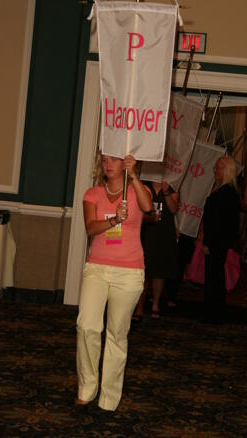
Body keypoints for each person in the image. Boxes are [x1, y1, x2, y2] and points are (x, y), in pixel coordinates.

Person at [76, 152, 152, 412]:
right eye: (105, 159)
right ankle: (87, 386)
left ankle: (109, 397)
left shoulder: (136, 190)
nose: (107, 164)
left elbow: (148, 207)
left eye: (114, 160)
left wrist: (135, 176)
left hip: (129, 272)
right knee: (87, 326)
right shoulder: (93, 193)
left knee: (117, 334)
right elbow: (89, 227)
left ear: (125, 164)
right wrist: (114, 220)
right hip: (97, 268)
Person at [202, 156, 240, 324]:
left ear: (226, 171)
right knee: (214, 277)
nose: (215, 171)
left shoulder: (226, 192)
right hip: (219, 241)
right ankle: (213, 312)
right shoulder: (227, 191)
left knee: (214, 278)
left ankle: (213, 313)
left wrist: (208, 242)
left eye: (217, 168)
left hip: (216, 242)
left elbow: (218, 222)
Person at [133, 180, 179, 320]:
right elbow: (138, 208)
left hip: (165, 232)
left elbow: (173, 209)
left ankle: (156, 304)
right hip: (147, 231)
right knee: (144, 270)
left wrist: (165, 192)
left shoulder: (172, 186)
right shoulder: (144, 184)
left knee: (160, 269)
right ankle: (139, 307)